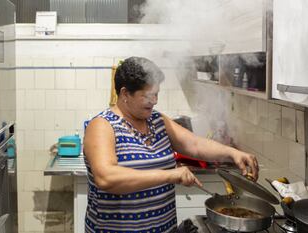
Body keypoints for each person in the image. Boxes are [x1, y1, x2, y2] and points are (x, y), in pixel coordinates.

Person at [83, 56, 259, 233]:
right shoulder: (102, 125)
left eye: (156, 94)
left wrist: (232, 153)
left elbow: (195, 144)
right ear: (125, 94)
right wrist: (170, 175)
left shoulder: (157, 120)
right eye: (148, 96)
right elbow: (106, 177)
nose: (155, 101)